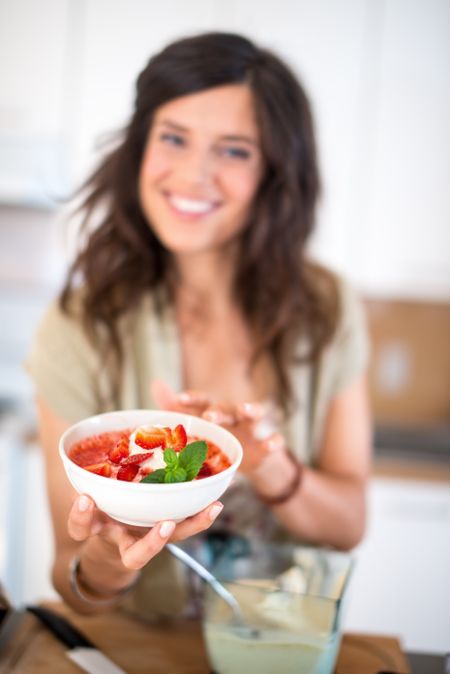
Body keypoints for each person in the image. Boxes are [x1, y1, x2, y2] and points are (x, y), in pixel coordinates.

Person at [26, 32, 372, 620]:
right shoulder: (80, 324)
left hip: (283, 647)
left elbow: (347, 526)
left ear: (274, 172)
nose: (193, 173)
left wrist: (271, 466)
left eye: (234, 150)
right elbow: (72, 578)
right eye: (174, 138)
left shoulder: (326, 307)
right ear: (141, 147)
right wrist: (112, 556)